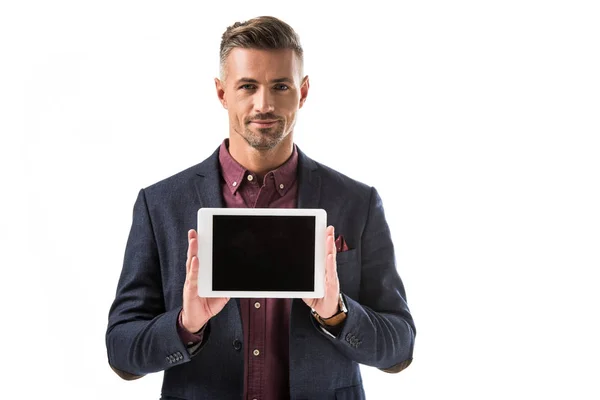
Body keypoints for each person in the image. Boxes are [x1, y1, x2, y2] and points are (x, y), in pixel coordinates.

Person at [106, 15, 416, 400]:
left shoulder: (356, 202)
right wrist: (186, 324)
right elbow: (121, 352)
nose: (264, 104)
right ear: (222, 93)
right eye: (247, 86)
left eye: (280, 86)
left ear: (302, 92)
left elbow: (399, 348)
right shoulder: (161, 205)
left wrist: (337, 313)